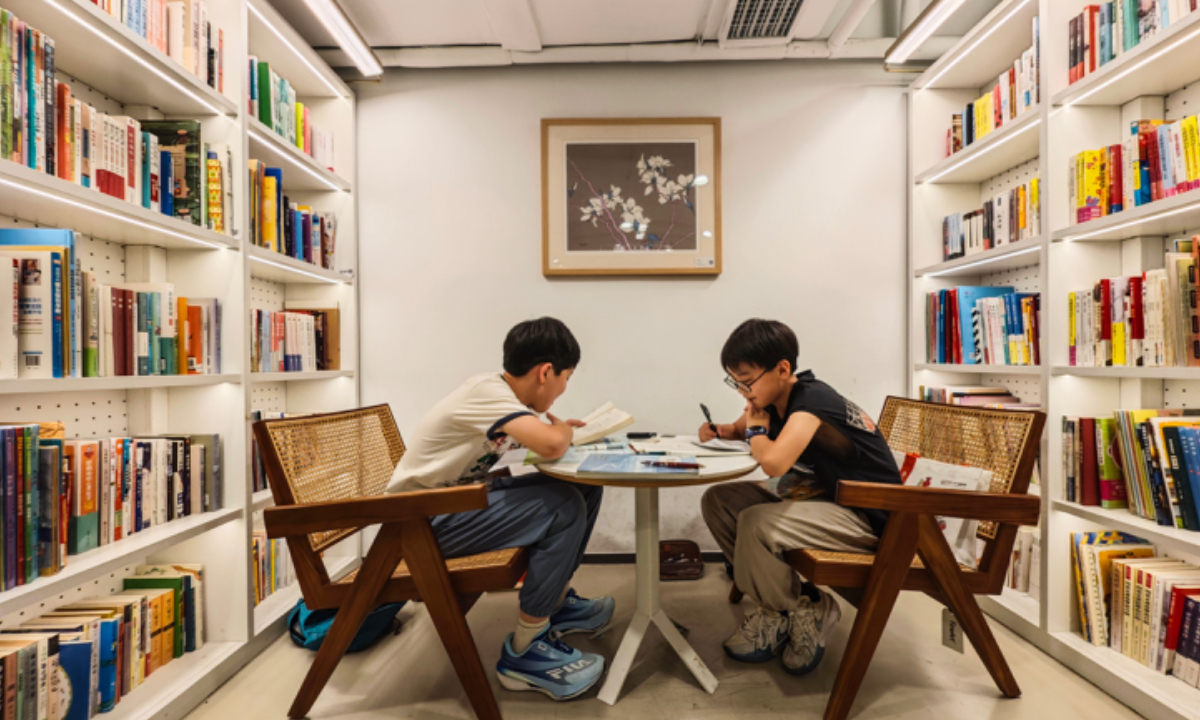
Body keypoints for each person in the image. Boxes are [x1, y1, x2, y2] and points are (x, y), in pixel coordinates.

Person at [386, 317, 613, 701]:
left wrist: (557, 434)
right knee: (562, 505)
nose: (562, 391)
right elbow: (552, 446)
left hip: (449, 505)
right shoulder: (487, 393)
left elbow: (540, 442)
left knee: (581, 487)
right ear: (546, 372)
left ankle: (555, 600)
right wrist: (563, 434)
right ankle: (526, 650)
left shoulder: (502, 398)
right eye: (566, 378)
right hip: (419, 524)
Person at [699, 318, 901, 675]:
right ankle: (783, 607)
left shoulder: (812, 403)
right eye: (736, 381)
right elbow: (741, 429)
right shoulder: (774, 399)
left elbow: (774, 462)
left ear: (782, 369)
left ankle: (804, 609)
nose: (743, 392)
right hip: (826, 500)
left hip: (871, 515)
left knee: (757, 522)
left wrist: (757, 431)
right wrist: (723, 430)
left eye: (747, 381)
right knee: (720, 501)